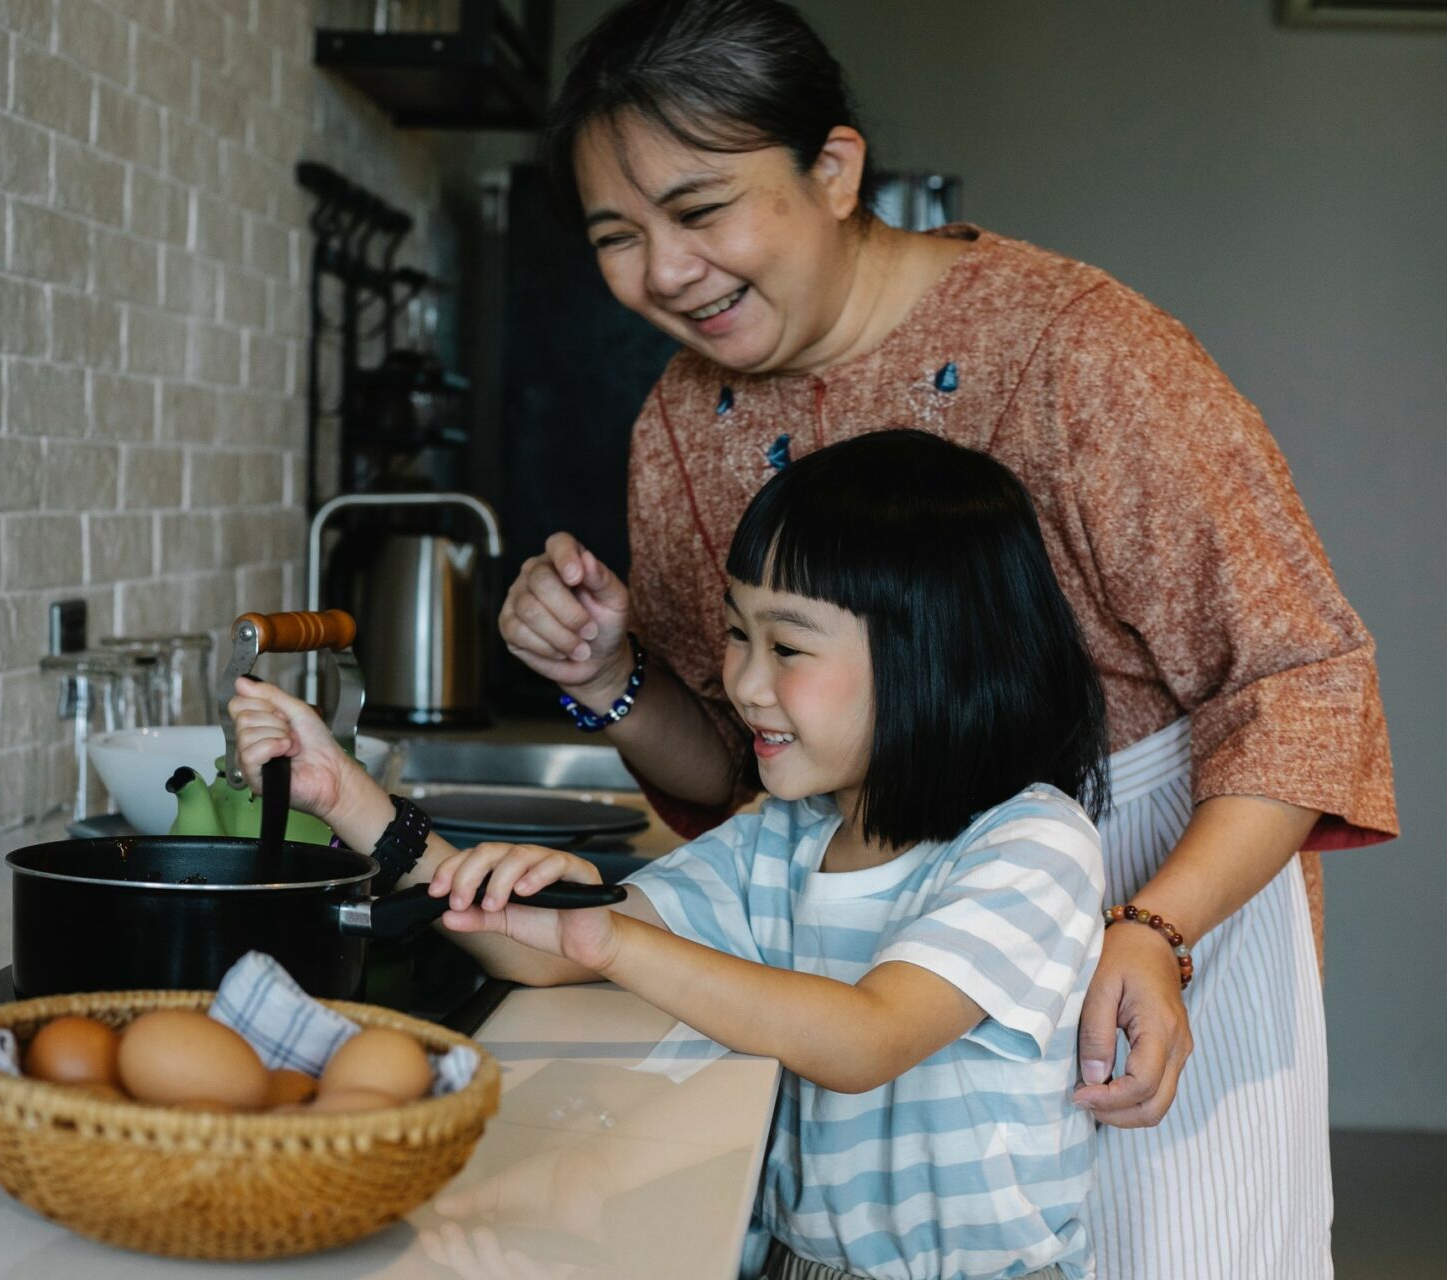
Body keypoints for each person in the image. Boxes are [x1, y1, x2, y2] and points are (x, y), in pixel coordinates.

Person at [494, 2, 1397, 1275]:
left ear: (836, 168)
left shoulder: (1082, 350)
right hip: (875, 963)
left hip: (1154, 884)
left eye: (700, 212)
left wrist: (1156, 927)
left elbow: (1304, 680)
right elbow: (747, 761)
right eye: (616, 236)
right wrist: (608, 675)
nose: (663, 270)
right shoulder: (679, 424)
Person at [233, 431, 1116, 1280]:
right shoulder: (786, 836)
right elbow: (530, 949)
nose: (744, 682)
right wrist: (344, 794)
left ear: (938, 658)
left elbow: (868, 1037)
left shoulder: (1031, 843)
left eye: (789, 647)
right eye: (738, 634)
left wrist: (611, 940)